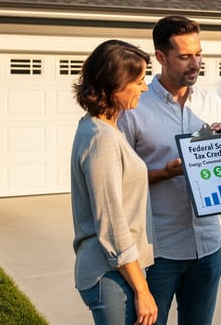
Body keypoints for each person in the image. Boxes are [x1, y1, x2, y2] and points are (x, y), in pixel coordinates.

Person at [117, 16, 221, 325]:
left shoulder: (211, 103)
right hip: (159, 250)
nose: (195, 64)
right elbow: (119, 181)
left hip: (208, 244)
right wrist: (164, 173)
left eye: (198, 54)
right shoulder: (134, 107)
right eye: (184, 57)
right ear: (161, 57)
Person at [70, 39, 158, 325]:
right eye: (139, 80)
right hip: (112, 275)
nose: (145, 87)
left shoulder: (104, 128)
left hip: (119, 272)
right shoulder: (101, 138)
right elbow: (111, 223)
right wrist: (142, 290)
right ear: (115, 84)